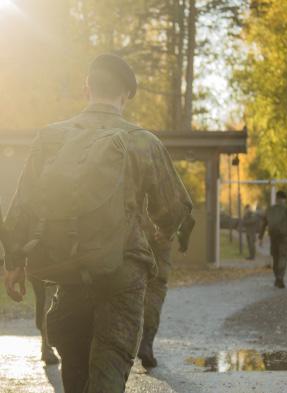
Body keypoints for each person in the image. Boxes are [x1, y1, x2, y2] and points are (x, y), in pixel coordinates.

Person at [3, 53, 192, 393]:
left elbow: (22, 206)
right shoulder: (143, 141)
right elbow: (174, 208)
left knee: (75, 376)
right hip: (121, 277)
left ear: (86, 88)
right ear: (126, 95)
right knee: (107, 376)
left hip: (67, 272)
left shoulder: (50, 137)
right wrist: (161, 231)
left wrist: (14, 263)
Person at [138, 213, 195, 368]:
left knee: (126, 289)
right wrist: (181, 239)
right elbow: (186, 212)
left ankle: (120, 349)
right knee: (155, 290)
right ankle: (146, 343)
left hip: (130, 241)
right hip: (159, 242)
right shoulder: (165, 188)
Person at [259, 191, 287, 288]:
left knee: (275, 257)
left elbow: (264, 223)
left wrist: (260, 237)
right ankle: (280, 277)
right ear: (284, 199)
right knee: (283, 257)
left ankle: (277, 278)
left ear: (276, 198)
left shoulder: (269, 209)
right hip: (285, 236)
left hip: (273, 236)